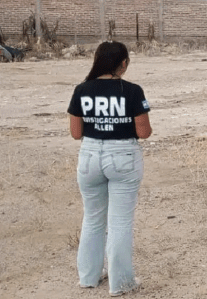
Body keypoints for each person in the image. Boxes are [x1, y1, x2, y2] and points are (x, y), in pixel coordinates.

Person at [67, 41, 151, 296]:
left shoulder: (82, 90)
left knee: (92, 219)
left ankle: (89, 276)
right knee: (120, 222)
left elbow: (75, 133)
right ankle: (121, 283)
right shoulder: (133, 91)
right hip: (123, 156)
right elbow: (144, 132)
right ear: (123, 64)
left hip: (90, 155)